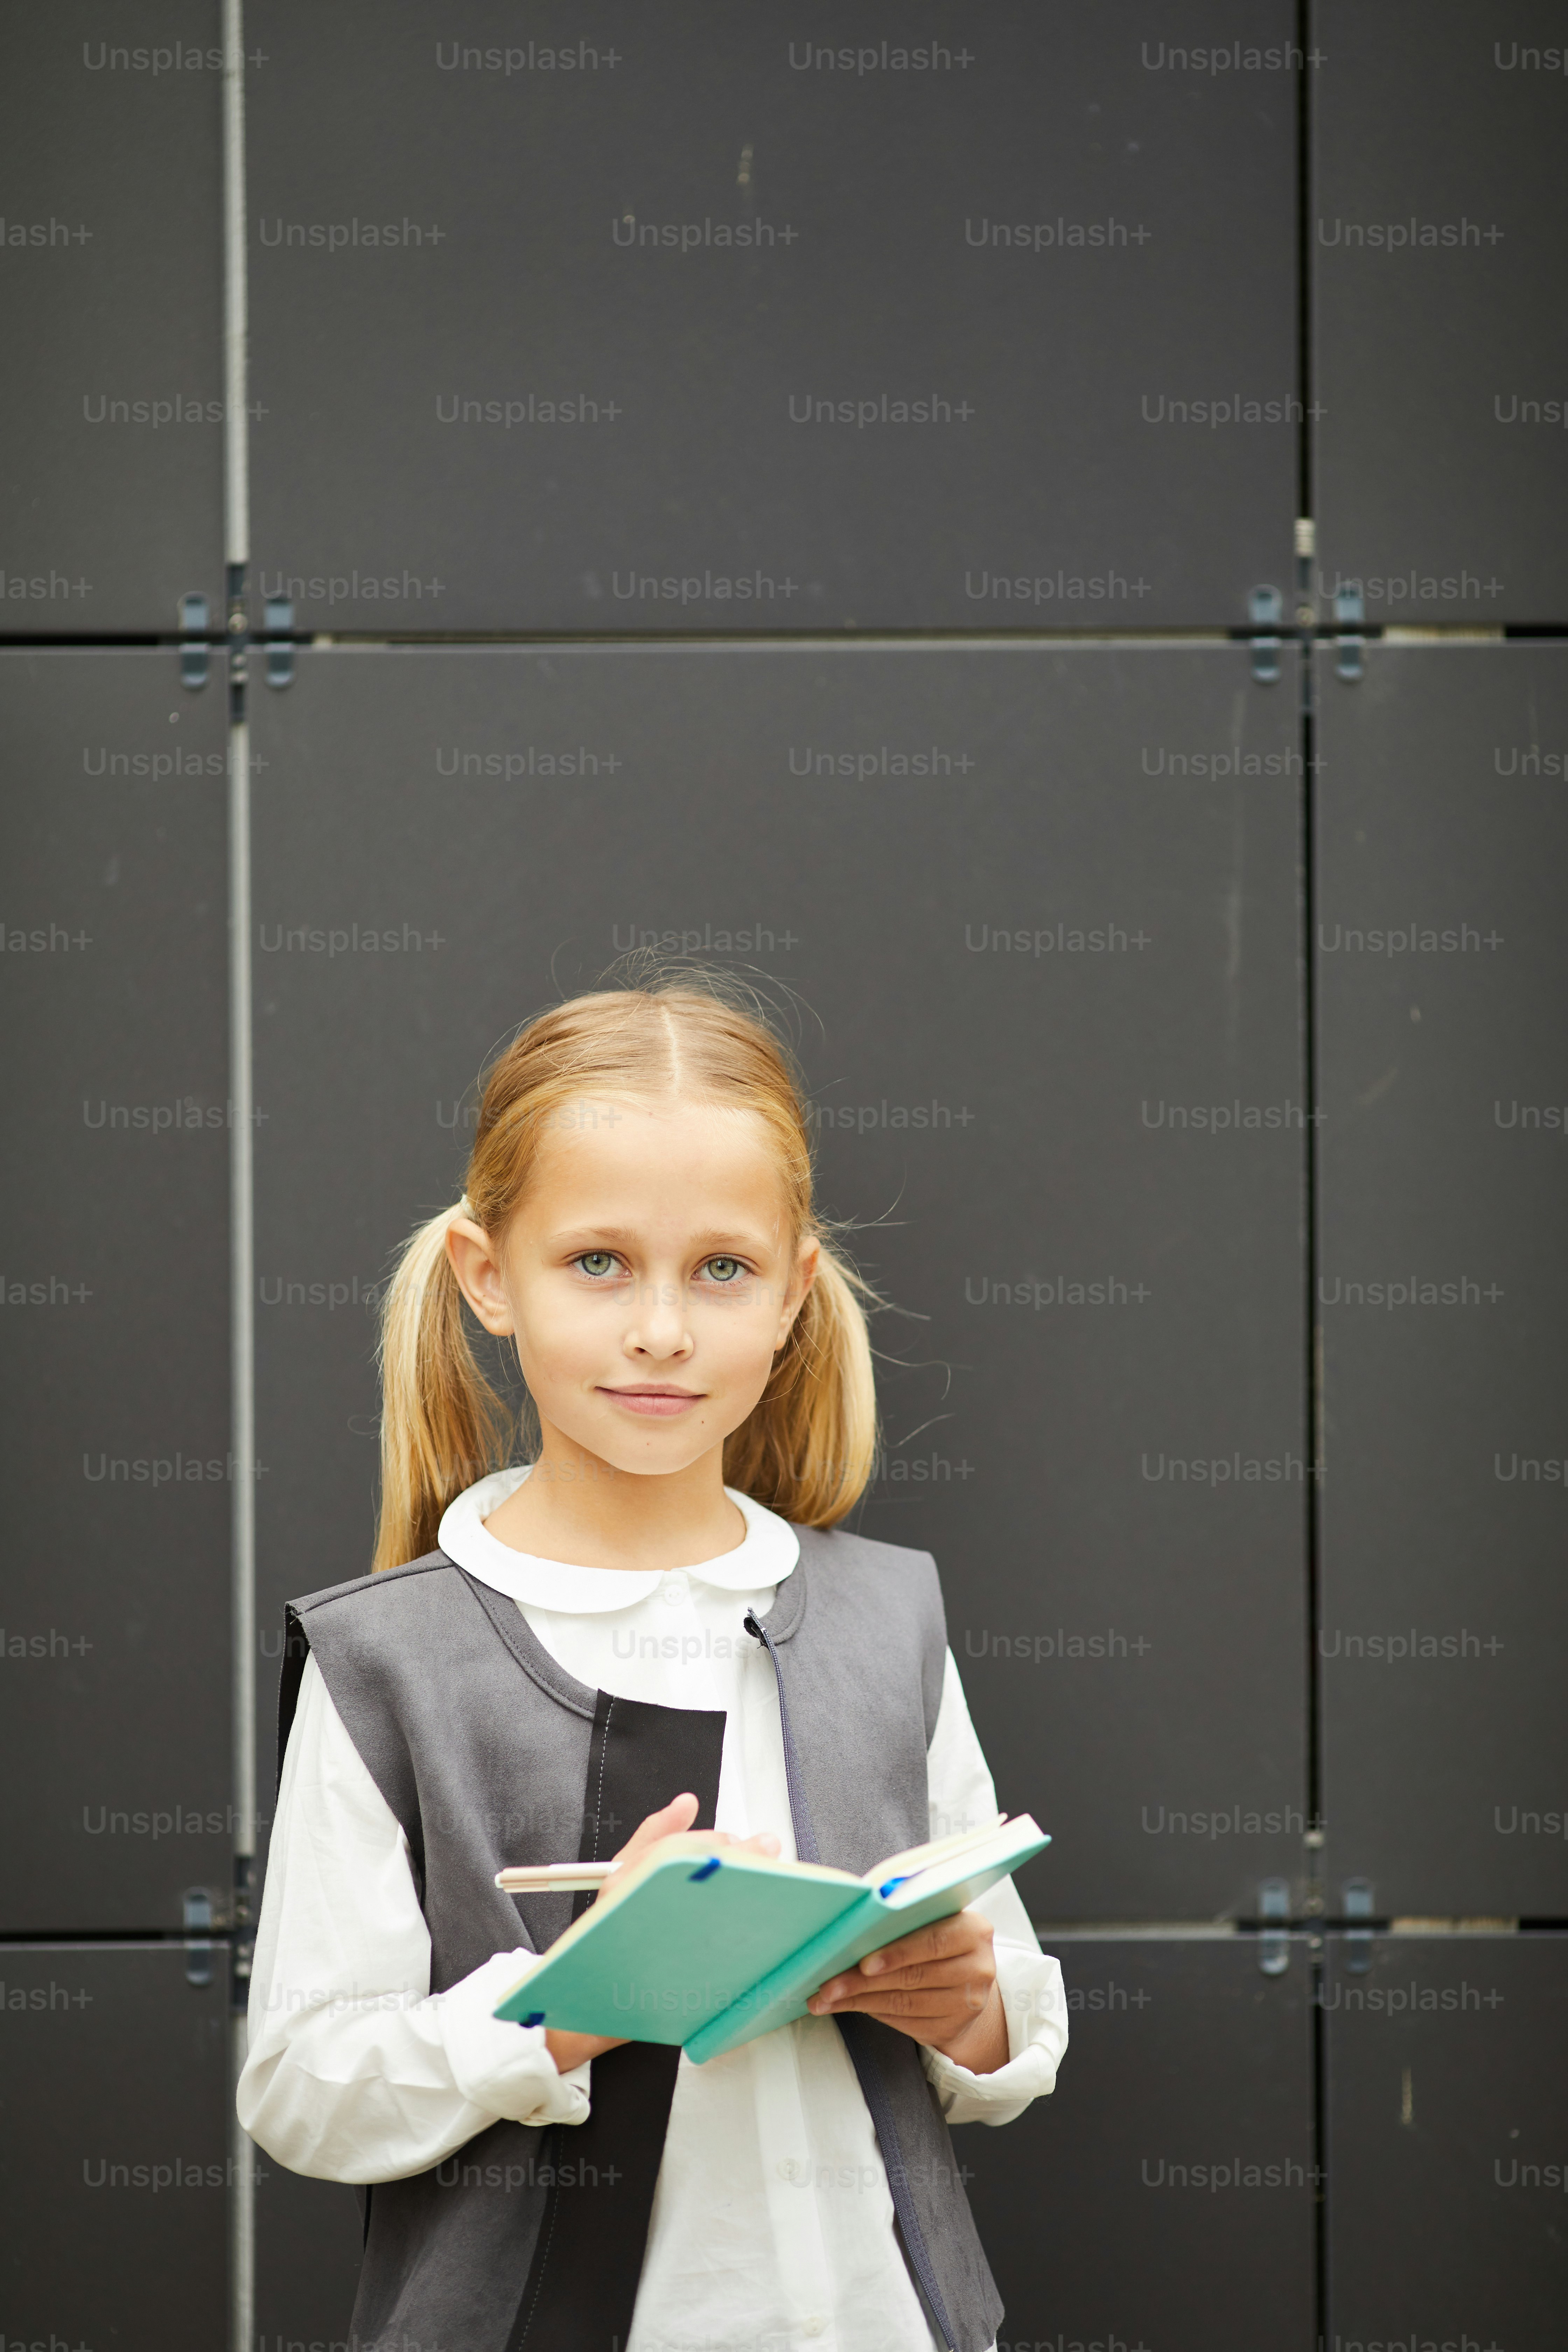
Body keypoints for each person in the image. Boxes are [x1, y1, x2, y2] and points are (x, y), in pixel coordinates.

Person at [238, 974, 1068, 2352]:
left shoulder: (885, 1616)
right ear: (487, 1276)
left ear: (795, 1290)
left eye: (722, 1269)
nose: (664, 1330)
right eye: (599, 1262)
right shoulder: (388, 1661)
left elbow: (1013, 2022)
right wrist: (569, 2006)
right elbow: (301, 2089)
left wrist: (974, 2005)